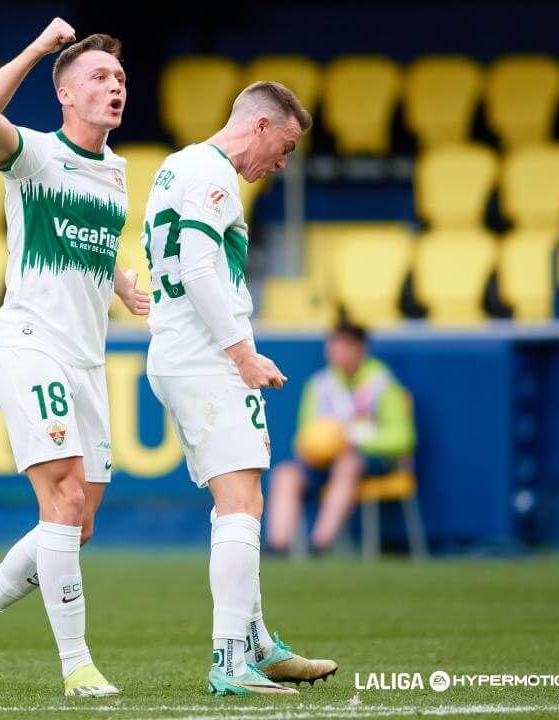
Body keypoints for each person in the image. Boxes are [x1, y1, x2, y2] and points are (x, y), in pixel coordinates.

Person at [0, 18, 148, 698]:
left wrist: (120, 282)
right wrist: (37, 49)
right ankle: (76, 666)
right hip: (30, 344)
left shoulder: (115, 171)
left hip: (86, 359)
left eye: (118, 78)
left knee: (78, 522)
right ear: (66, 95)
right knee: (62, 496)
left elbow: (92, 237)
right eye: (98, 78)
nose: (114, 87)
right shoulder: (31, 155)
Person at [143, 81, 336, 695]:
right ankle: (230, 660)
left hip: (182, 352)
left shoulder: (179, 166)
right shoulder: (216, 176)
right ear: (258, 126)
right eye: (285, 145)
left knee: (245, 502)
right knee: (239, 503)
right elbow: (199, 266)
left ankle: (256, 642)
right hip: (205, 359)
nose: (283, 162)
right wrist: (242, 354)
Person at [266, 321, 416, 553]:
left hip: (370, 459)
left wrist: (355, 440)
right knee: (286, 474)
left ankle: (319, 544)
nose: (336, 354)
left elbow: (403, 439)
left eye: (344, 347)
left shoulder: (383, 384)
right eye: (333, 347)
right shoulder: (319, 384)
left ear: (359, 349)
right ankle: (278, 545)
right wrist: (312, 447)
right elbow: (305, 434)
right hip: (324, 461)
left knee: (347, 465)